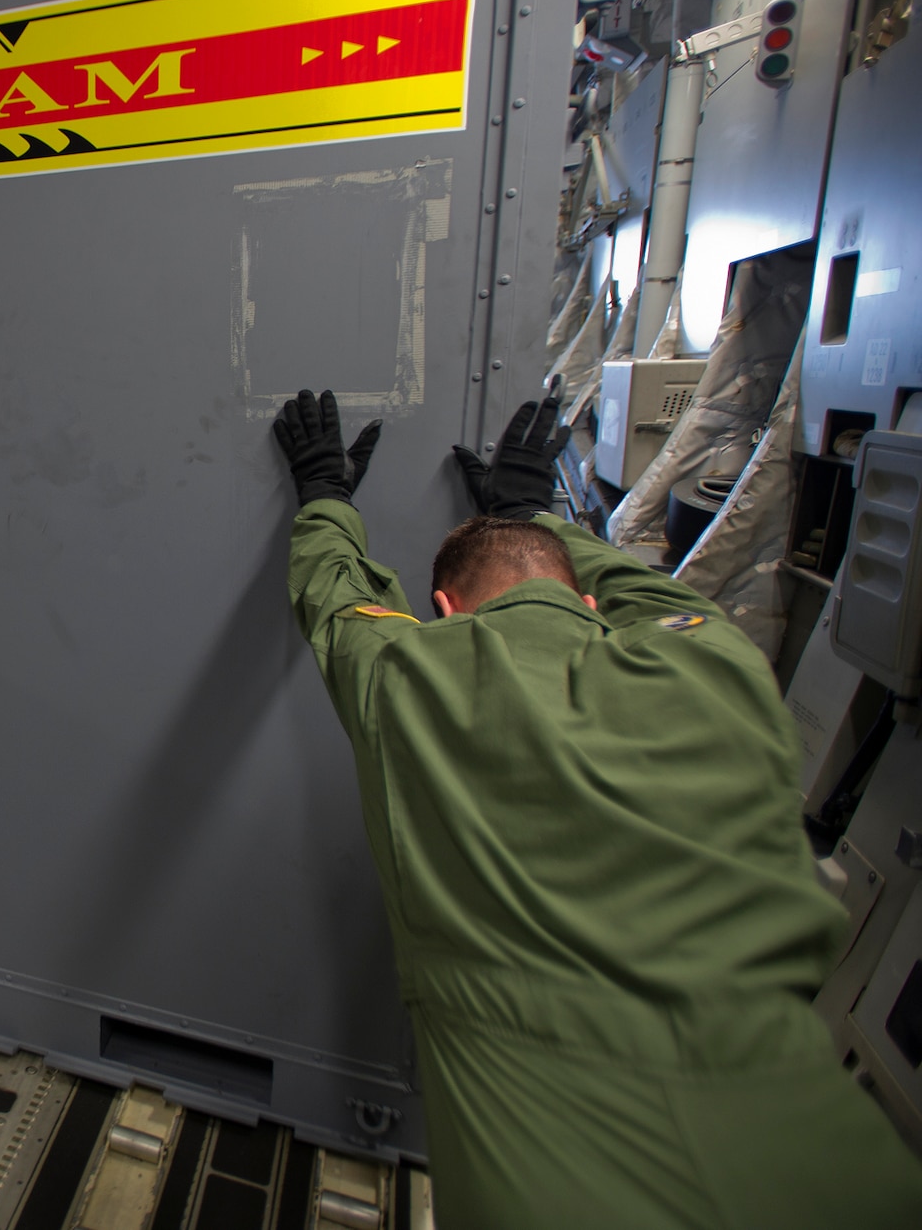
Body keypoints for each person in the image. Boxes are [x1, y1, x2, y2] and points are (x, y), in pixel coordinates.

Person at [273, 387, 922, 1227]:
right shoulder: (718, 668)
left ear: (442, 611)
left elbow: (332, 595)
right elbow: (657, 601)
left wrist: (324, 493)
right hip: (829, 1173)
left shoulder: (413, 682)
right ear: (589, 606)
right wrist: (533, 514)